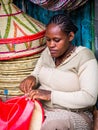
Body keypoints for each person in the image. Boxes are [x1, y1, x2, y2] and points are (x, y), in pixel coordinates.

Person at [19, 13, 98, 130]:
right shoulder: (47, 52)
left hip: (74, 114)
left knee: (52, 125)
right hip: (42, 108)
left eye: (57, 40)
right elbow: (36, 73)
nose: (51, 45)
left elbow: (89, 97)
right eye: (48, 40)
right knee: (15, 116)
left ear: (70, 36)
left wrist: (51, 95)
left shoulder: (84, 56)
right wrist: (32, 78)